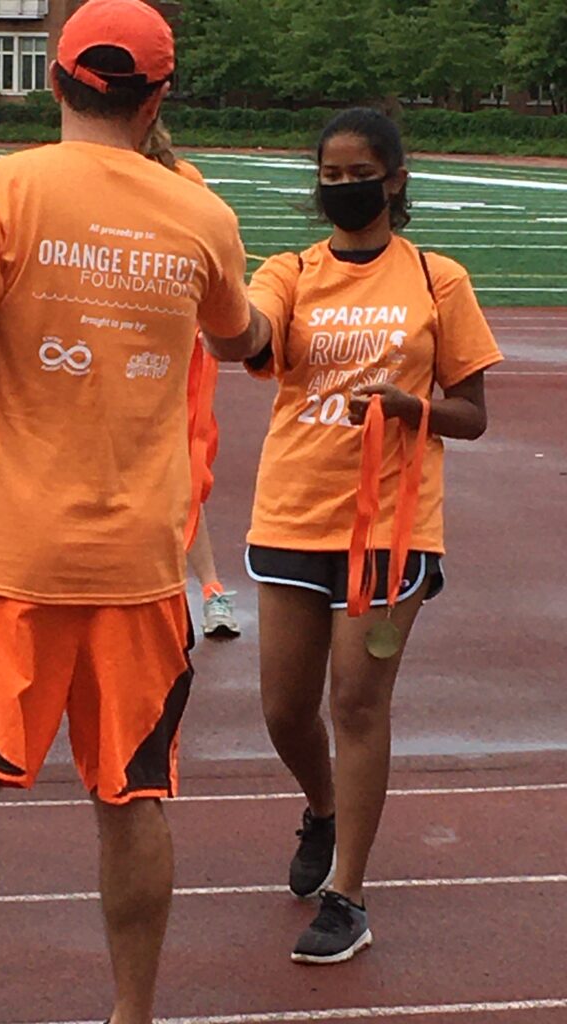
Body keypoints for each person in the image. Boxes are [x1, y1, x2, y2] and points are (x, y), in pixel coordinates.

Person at [0, 2, 261, 1021]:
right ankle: (130, 1015)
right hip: (140, 565)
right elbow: (238, 336)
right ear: (157, 98)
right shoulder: (200, 214)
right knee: (134, 797)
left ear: (57, 81)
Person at [207, 107, 503, 964]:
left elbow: (474, 416)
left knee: (357, 701)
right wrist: (226, 306)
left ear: (396, 178)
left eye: (358, 174)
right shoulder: (289, 270)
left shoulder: (437, 278)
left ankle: (348, 895)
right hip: (294, 510)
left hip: (392, 522)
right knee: (284, 709)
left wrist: (416, 409)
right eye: (329, 177)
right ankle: (325, 810)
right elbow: (248, 335)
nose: (344, 189)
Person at [142, 119, 240, 639]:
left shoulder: (186, 183)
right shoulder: (90, 179)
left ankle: (209, 588)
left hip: (177, 354)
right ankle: (166, 594)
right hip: (115, 351)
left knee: (182, 475)